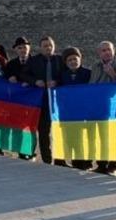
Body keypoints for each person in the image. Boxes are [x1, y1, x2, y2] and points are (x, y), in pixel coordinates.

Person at [89, 41, 116, 175]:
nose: (107, 52)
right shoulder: (95, 66)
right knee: (101, 135)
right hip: (98, 105)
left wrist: (113, 74)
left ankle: (113, 165)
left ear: (114, 50)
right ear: (99, 53)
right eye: (103, 50)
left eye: (109, 50)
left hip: (113, 106)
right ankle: (101, 164)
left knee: (113, 135)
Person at [27, 36, 63, 164]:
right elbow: (24, 74)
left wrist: (57, 82)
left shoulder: (60, 60)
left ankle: (60, 159)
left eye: (50, 45)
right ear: (40, 48)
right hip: (41, 101)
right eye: (45, 46)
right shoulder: (33, 61)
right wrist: (35, 81)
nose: (48, 48)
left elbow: (65, 76)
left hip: (58, 101)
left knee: (59, 131)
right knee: (43, 132)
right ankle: (47, 159)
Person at [57, 47, 92, 169]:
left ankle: (86, 162)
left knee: (84, 138)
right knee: (72, 137)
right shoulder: (63, 76)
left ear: (80, 59)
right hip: (68, 112)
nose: (73, 62)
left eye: (75, 59)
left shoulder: (88, 73)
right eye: (69, 60)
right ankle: (75, 161)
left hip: (84, 111)